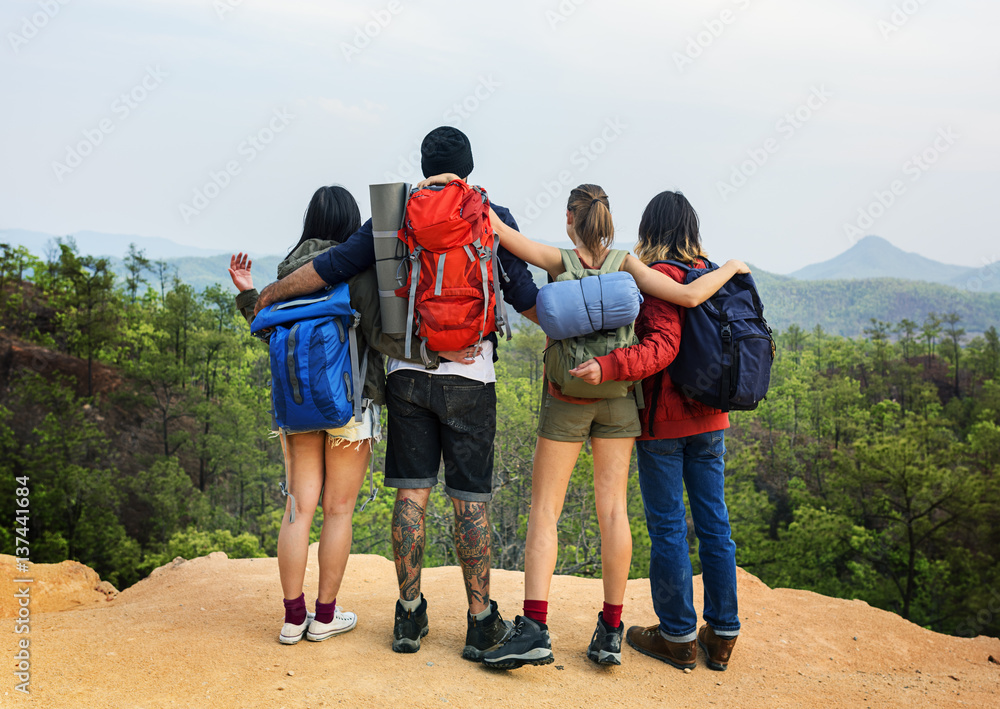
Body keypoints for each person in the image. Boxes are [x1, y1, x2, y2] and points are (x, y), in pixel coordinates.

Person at [253, 127, 540, 660]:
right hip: (472, 378)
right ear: (469, 166)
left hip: (407, 375)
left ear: (424, 163)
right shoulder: (490, 213)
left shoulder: (395, 213)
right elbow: (523, 295)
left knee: (412, 495)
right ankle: (480, 621)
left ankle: (408, 617)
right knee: (469, 501)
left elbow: (331, 268)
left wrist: (270, 293)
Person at [448, 182, 747, 669]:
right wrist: (731, 267)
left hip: (567, 397)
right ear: (609, 222)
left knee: (546, 512)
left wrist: (469, 193)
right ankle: (611, 631)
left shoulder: (556, 260)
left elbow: (499, 232)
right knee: (614, 513)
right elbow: (690, 296)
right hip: (618, 402)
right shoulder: (629, 264)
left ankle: (536, 629)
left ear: (570, 219)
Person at [572, 190, 742, 671]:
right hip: (712, 419)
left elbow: (663, 349)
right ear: (690, 227)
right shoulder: (710, 274)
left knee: (668, 528)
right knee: (715, 525)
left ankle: (678, 636)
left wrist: (609, 365)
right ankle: (723, 633)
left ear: (651, 229)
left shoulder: (657, 278)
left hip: (665, 423)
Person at [229, 185, 392, 645]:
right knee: (338, 512)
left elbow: (269, 334)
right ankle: (325, 616)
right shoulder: (357, 269)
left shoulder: (287, 272)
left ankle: (291, 617)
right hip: (350, 403)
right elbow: (380, 336)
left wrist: (249, 296)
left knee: (298, 509)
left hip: (298, 406)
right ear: (350, 224)